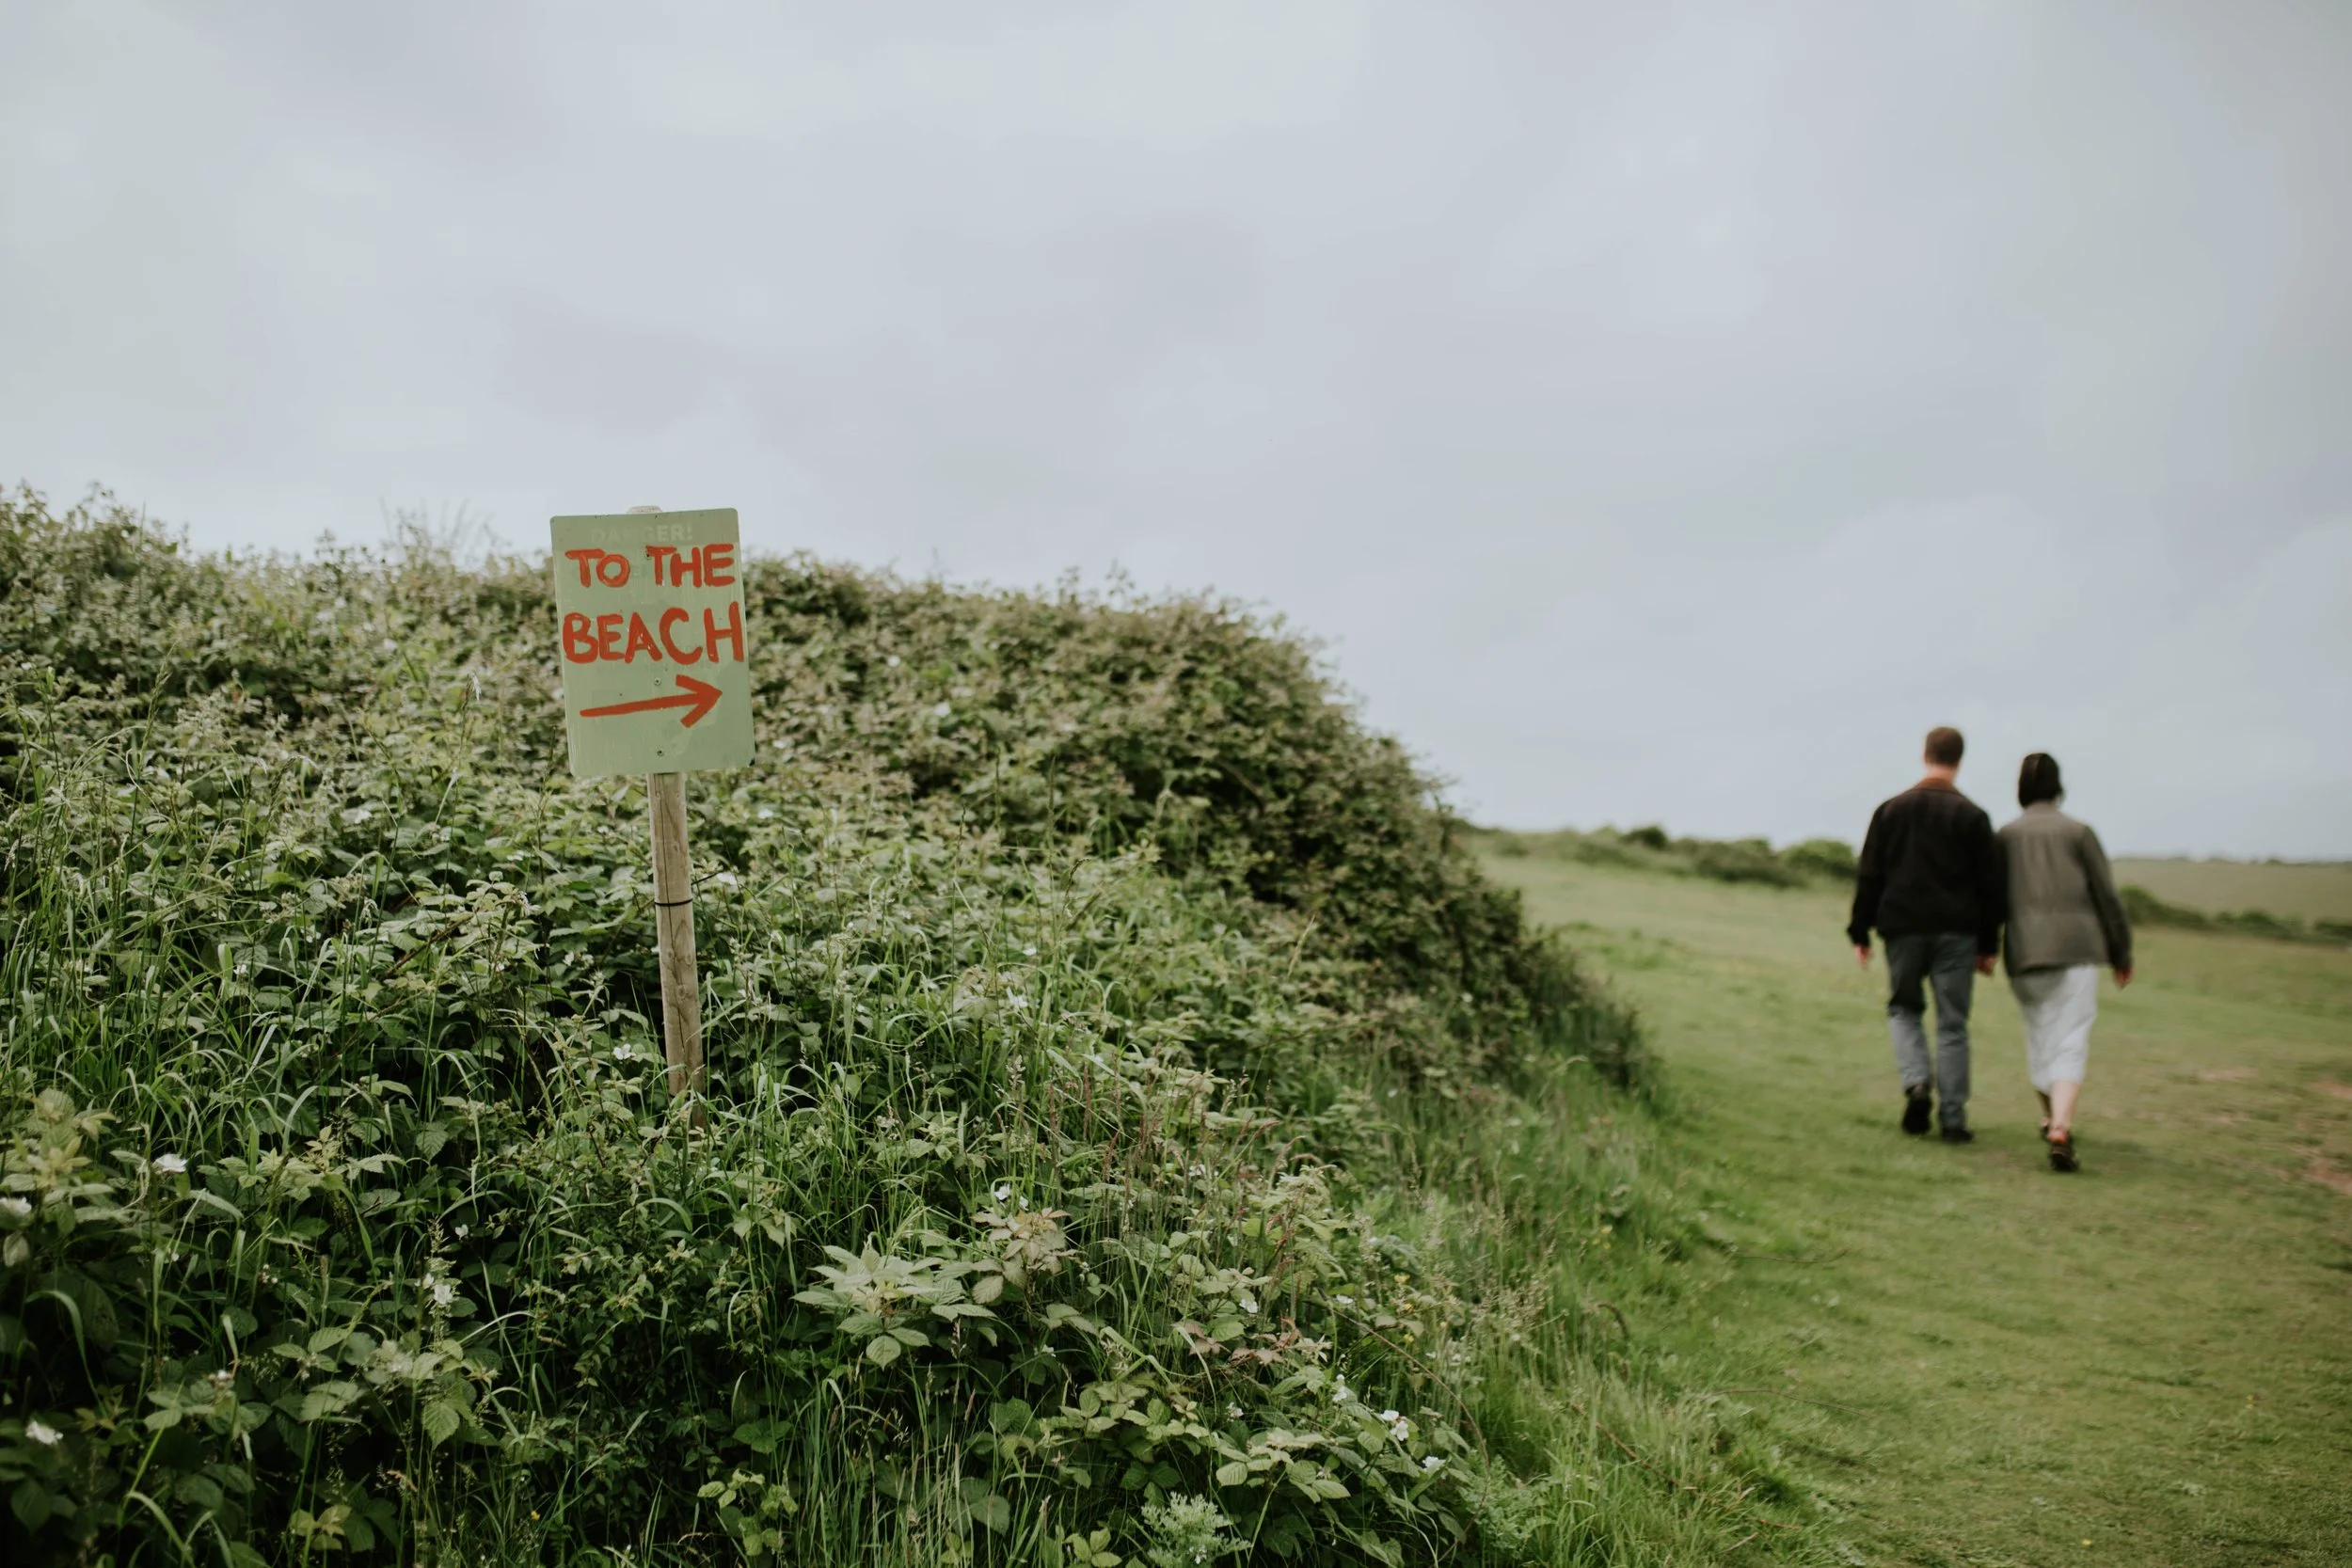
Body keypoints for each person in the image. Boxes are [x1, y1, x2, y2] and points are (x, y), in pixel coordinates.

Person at [1847, 727, 2006, 1142]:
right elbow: (1991, 887)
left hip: (1901, 927)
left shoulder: (1891, 810)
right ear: (1959, 760)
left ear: (1925, 755)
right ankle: (1953, 1121)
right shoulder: (1973, 817)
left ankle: (1917, 1083)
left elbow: (1870, 874)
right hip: (1957, 933)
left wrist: (1859, 929)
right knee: (1953, 1024)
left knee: (1904, 1009)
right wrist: (1989, 944)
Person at [1999, 752, 2133, 1172]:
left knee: (2040, 1037)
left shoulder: (2004, 836)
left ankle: (2052, 1118)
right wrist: (2121, 952)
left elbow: (1990, 898)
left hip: (2024, 950)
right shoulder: (2079, 832)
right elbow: (2106, 897)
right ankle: (2059, 1124)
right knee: (2070, 1038)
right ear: (2058, 786)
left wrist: (1984, 945)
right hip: (2078, 949)